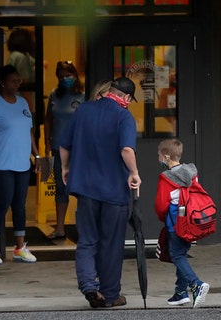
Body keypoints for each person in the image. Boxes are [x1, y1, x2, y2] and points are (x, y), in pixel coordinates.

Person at [59, 77, 141, 308]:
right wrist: (134, 172)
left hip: (85, 189)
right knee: (111, 244)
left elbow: (64, 144)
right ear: (126, 98)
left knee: (87, 240)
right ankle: (110, 294)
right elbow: (126, 149)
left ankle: (88, 286)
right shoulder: (123, 116)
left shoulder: (83, 110)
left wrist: (66, 168)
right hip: (114, 191)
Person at [0, 64, 41, 265]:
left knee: (19, 206)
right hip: (1, 164)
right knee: (2, 203)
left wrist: (37, 155)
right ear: (2, 83)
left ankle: (19, 247)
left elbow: (29, 131)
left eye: (19, 81)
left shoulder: (23, 103)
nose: (17, 84)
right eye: (13, 81)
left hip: (22, 164)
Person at [154, 138, 210, 308]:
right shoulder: (192, 172)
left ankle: (196, 284)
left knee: (177, 255)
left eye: (159, 155)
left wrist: (162, 218)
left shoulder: (166, 178)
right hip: (192, 221)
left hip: (175, 222)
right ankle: (180, 293)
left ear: (166, 156)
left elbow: (161, 205)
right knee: (181, 254)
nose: (158, 158)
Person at [43, 60, 85, 240]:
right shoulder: (54, 94)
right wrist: (46, 142)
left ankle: (84, 228)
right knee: (61, 188)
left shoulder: (83, 94)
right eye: (61, 77)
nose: (65, 79)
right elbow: (48, 120)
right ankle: (60, 228)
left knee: (83, 189)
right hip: (59, 148)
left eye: (68, 75)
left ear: (75, 75)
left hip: (80, 148)